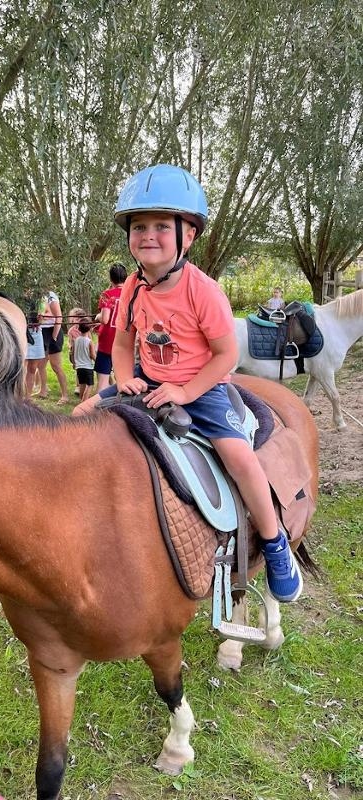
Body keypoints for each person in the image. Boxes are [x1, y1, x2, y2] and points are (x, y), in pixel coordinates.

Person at [73, 163, 302, 604]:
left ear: (189, 235)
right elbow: (122, 344)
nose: (148, 235)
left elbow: (226, 357)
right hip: (146, 381)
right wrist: (123, 379)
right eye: (139, 226)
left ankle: (274, 545)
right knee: (79, 416)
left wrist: (184, 392)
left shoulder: (204, 291)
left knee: (239, 457)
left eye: (162, 225)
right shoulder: (131, 290)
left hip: (201, 388)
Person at [94, 262, 127, 391]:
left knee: (102, 381)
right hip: (124, 342)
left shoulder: (107, 294)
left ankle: (98, 410)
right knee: (123, 380)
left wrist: (97, 317)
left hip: (107, 343)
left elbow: (105, 319)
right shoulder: (131, 294)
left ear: (111, 278)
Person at [38, 289, 69, 404]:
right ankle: (43, 390)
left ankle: (65, 395)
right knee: (40, 364)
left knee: (56, 366)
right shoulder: (38, 295)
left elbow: (58, 317)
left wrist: (54, 336)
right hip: (42, 332)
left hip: (52, 332)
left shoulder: (51, 296)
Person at [25, 293, 47, 398]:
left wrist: (40, 317)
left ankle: (27, 397)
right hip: (21, 332)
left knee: (33, 367)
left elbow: (42, 318)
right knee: (21, 366)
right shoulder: (18, 295)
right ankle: (18, 395)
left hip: (36, 333)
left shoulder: (40, 298)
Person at [73, 317, 96, 401]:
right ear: (89, 329)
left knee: (81, 384)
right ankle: (84, 401)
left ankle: (81, 400)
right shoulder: (89, 341)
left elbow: (73, 352)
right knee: (90, 385)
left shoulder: (76, 340)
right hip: (88, 367)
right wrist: (97, 362)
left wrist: (74, 363)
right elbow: (92, 355)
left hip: (79, 367)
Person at [67, 307, 88, 395]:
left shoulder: (86, 329)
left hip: (84, 352)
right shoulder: (71, 331)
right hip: (76, 353)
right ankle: (78, 386)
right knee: (78, 370)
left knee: (85, 369)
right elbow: (69, 342)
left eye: (80, 318)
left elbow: (89, 339)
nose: (77, 320)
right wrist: (70, 347)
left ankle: (86, 384)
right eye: (76, 318)